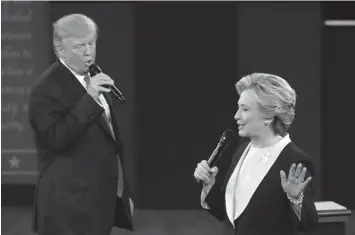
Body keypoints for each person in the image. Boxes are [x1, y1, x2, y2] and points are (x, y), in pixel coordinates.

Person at [28, 14, 134, 235]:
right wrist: (90, 99)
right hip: (67, 209)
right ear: (61, 50)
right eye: (79, 47)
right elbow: (55, 139)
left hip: (98, 202)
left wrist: (121, 195)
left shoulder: (93, 78)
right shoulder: (46, 89)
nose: (88, 52)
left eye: (91, 44)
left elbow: (108, 140)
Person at [193, 73, 318, 235]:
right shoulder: (241, 152)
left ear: (268, 115)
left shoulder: (294, 160)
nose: (236, 116)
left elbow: (308, 224)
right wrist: (209, 186)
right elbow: (228, 214)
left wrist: (295, 199)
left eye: (244, 109)